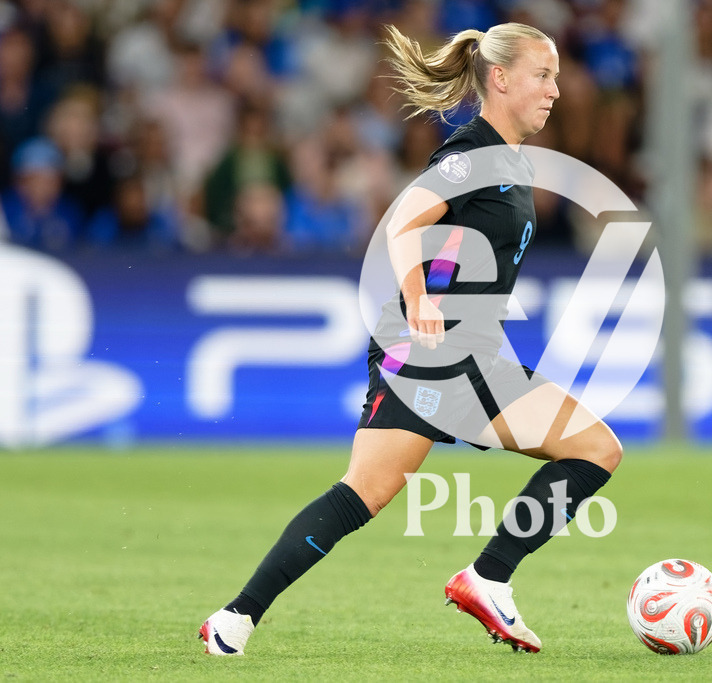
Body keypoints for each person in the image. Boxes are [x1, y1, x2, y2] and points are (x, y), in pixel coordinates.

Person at [198, 21, 622, 656]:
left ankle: (235, 619)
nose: (556, 90)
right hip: (434, 351)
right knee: (592, 449)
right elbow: (404, 220)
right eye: (544, 75)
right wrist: (421, 299)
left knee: (367, 490)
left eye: (556, 76)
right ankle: (488, 577)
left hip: (457, 352)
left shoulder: (504, 159)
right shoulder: (468, 156)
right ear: (500, 78)